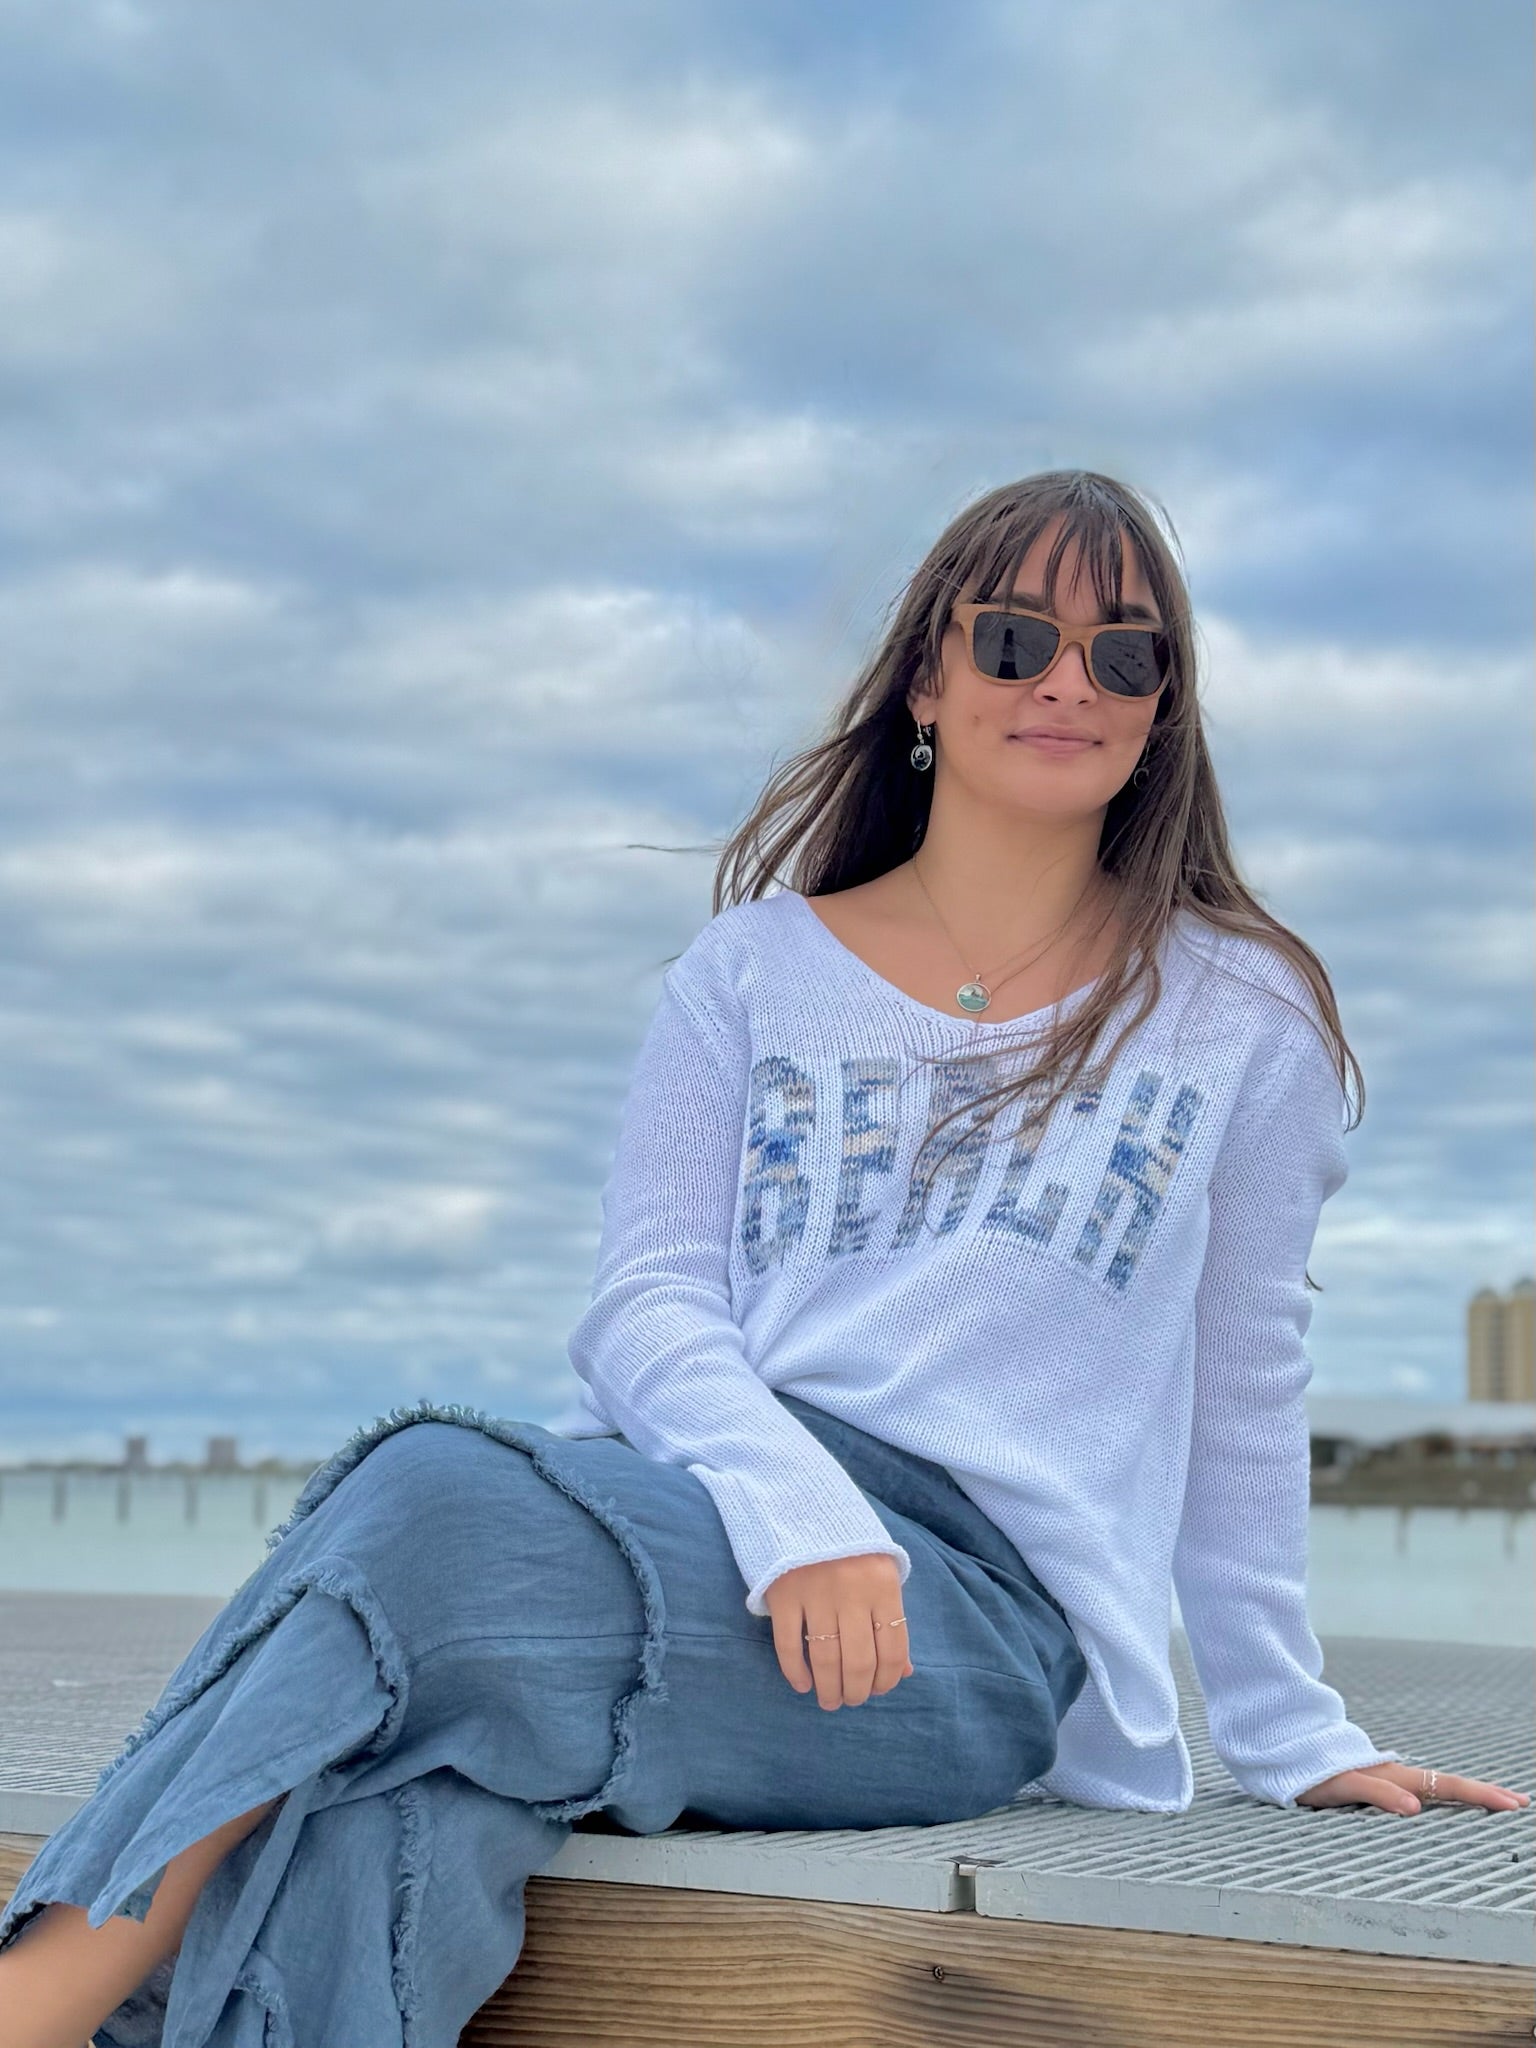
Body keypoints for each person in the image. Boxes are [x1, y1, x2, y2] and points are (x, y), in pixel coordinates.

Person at [0, 468, 1525, 2048]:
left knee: (427, 1498)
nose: (1069, 681)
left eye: (1126, 656)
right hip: (726, 1517)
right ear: (929, 677)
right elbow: (649, 1300)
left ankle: (46, 1992)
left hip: (975, 1627)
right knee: (421, 1787)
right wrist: (793, 1508)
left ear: (1162, 712)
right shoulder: (748, 974)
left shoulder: (1239, 1015)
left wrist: (1291, 1729)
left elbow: (1248, 1384)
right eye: (1016, 639)